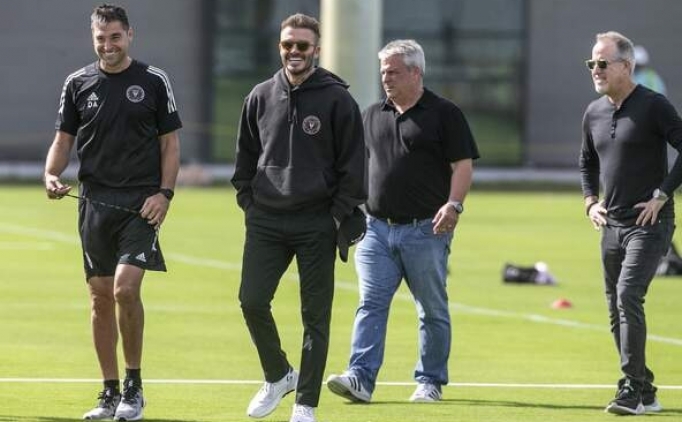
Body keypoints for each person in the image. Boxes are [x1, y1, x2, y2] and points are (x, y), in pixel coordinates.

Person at [44, 4, 181, 420]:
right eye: (101, 38)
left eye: (115, 37)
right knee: (100, 298)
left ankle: (134, 387)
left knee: (124, 288)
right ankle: (109, 392)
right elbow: (63, 139)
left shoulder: (154, 80)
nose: (108, 45)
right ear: (94, 39)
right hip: (93, 204)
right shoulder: (77, 83)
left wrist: (164, 194)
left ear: (129, 35)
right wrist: (51, 174)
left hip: (141, 204)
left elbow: (170, 144)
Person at [326, 39, 479, 403]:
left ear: (415, 72)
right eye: (383, 72)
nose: (386, 78)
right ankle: (360, 378)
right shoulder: (371, 114)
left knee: (431, 309)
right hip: (375, 230)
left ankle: (430, 381)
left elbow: (463, 165)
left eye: (393, 72)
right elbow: (354, 166)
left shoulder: (445, 113)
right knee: (370, 304)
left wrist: (454, 205)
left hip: (426, 230)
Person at [231, 13, 366, 422]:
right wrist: (249, 204)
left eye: (302, 45)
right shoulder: (259, 96)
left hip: (316, 223)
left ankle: (305, 403)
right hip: (266, 220)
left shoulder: (338, 100)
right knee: (252, 301)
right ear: (280, 47)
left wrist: (334, 217)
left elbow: (354, 168)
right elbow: (244, 160)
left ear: (317, 49)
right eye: (288, 44)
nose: (294, 51)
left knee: (315, 318)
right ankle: (279, 375)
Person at [580, 31, 682, 416]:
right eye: (592, 63)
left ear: (626, 66)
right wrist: (590, 202)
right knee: (614, 308)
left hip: (649, 223)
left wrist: (662, 194)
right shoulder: (593, 112)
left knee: (627, 295)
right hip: (611, 224)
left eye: (603, 63)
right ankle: (647, 389)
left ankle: (631, 390)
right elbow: (586, 162)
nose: (596, 70)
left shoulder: (654, 106)